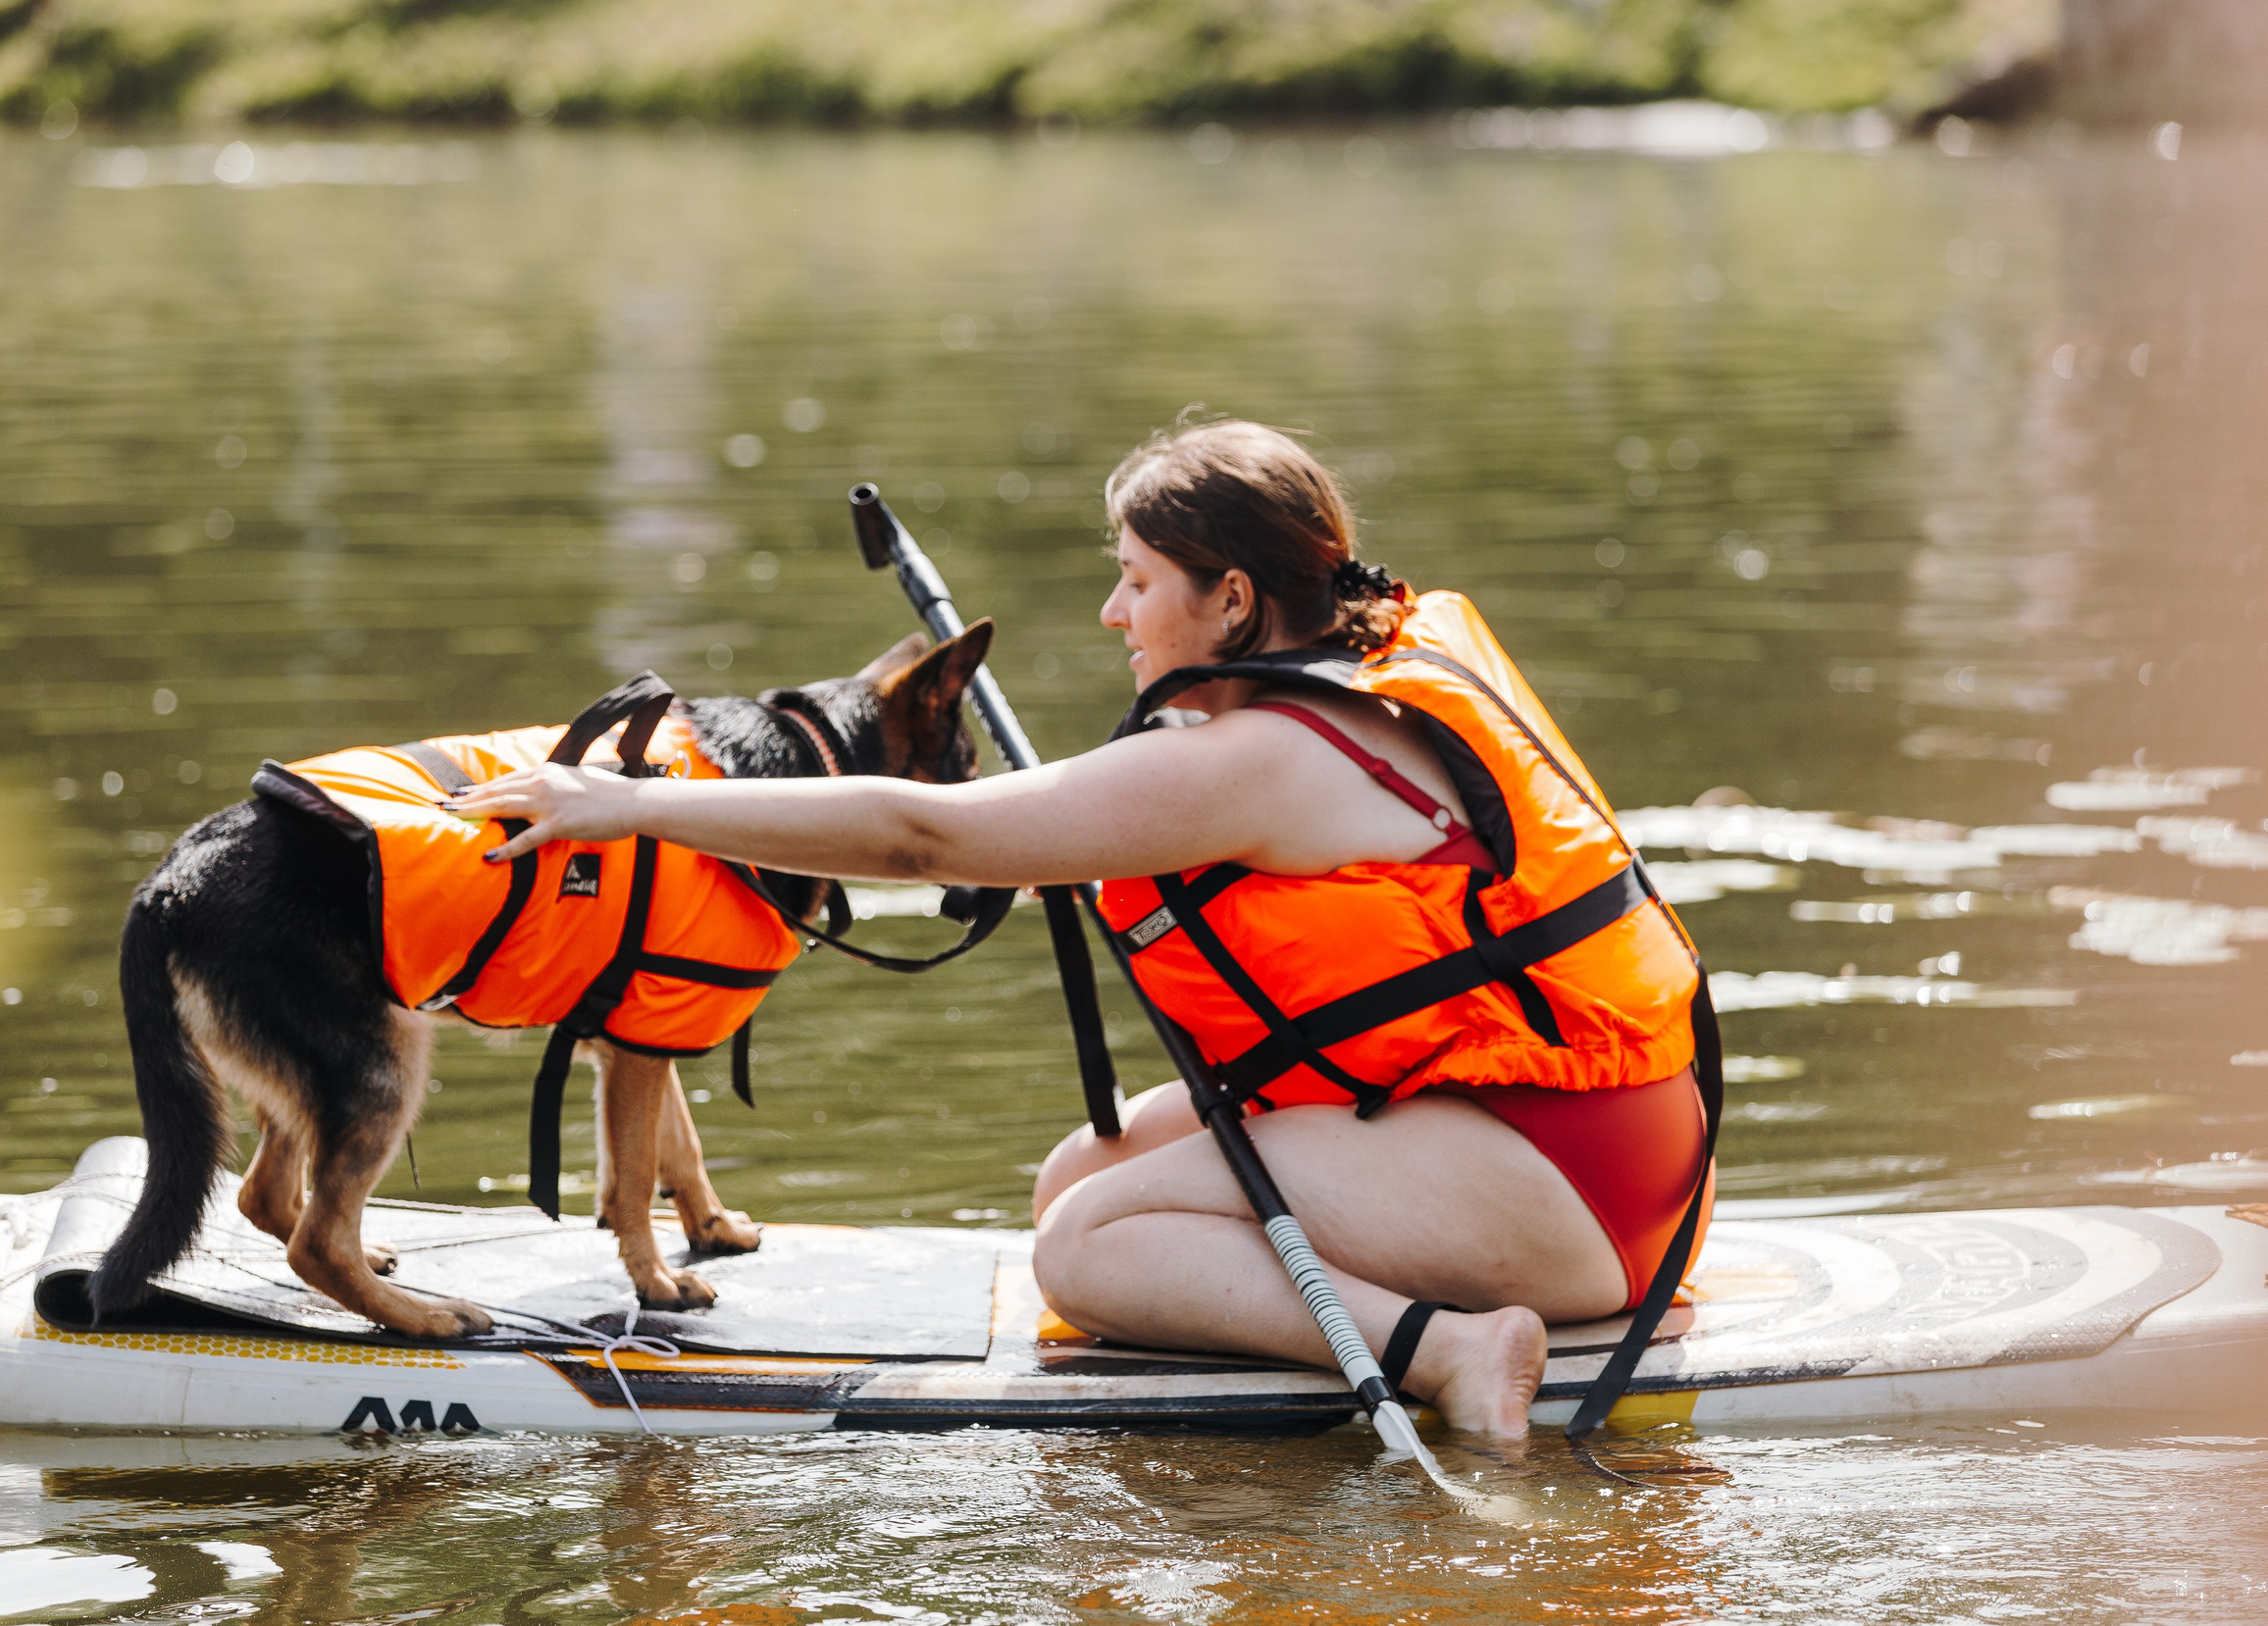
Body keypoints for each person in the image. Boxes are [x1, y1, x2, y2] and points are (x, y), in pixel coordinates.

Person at [447, 419, 1712, 1436]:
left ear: (1231, 600)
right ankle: (1388, 1318)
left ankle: (1447, 1349)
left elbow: (923, 837)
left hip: (1577, 1188)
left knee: (1085, 1249)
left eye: (1137, 581)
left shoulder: (1260, 760)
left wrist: (631, 805)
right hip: (1600, 1134)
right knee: (1080, 1177)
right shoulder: (1366, 677)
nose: (1114, 613)